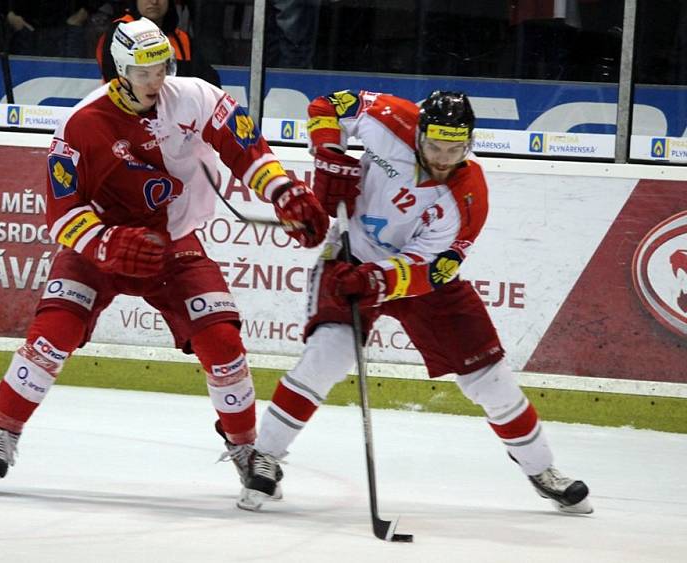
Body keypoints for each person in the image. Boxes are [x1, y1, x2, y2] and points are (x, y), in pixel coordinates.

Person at [0, 17, 328, 493]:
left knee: (223, 343)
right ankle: (5, 429)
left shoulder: (197, 97)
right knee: (51, 336)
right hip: (100, 248)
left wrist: (284, 190)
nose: (155, 80)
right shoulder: (80, 125)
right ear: (120, 71)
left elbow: (247, 149)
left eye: (161, 67)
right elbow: (61, 215)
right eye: (143, 72)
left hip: (174, 245)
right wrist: (108, 244)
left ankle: (244, 446)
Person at [237, 90, 593, 515]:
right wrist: (329, 150)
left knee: (489, 379)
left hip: (417, 282)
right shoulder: (389, 117)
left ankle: (543, 470)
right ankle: (266, 458)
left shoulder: (468, 197)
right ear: (420, 133)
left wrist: (376, 279)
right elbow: (326, 105)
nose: (443, 158)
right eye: (435, 146)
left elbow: (430, 270)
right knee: (326, 356)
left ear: (470, 144)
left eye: (455, 149)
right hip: (353, 253)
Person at [95, 0, 220, 86]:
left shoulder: (182, 40)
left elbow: (209, 83)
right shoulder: (119, 32)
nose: (154, 1)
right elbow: (112, 79)